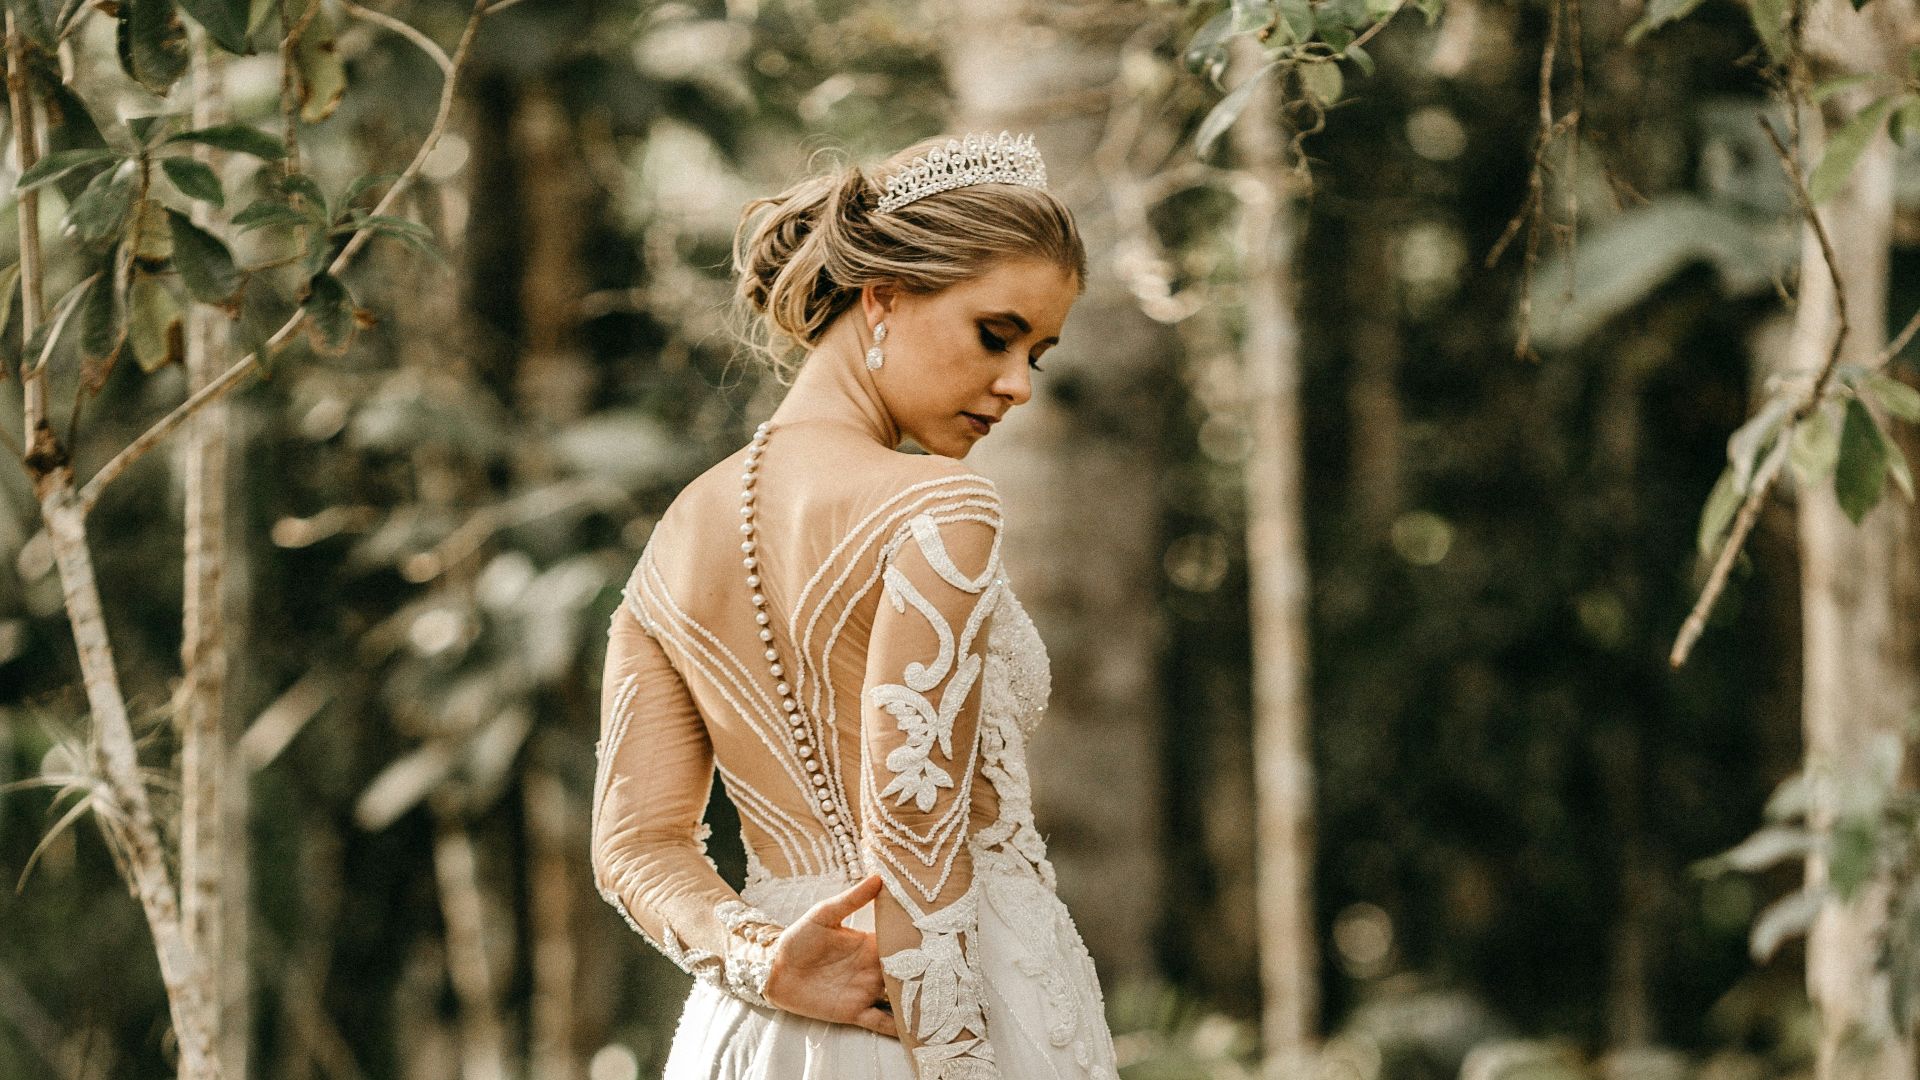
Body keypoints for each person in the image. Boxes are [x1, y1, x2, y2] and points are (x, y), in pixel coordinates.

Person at [590, 131, 1118, 1080]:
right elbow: (912, 839)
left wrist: (762, 961)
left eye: (1038, 353)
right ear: (881, 297)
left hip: (764, 1028)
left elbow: (635, 847)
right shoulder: (937, 506)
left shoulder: (676, 534)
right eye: (995, 335)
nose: (1018, 386)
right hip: (943, 1010)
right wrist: (955, 1059)